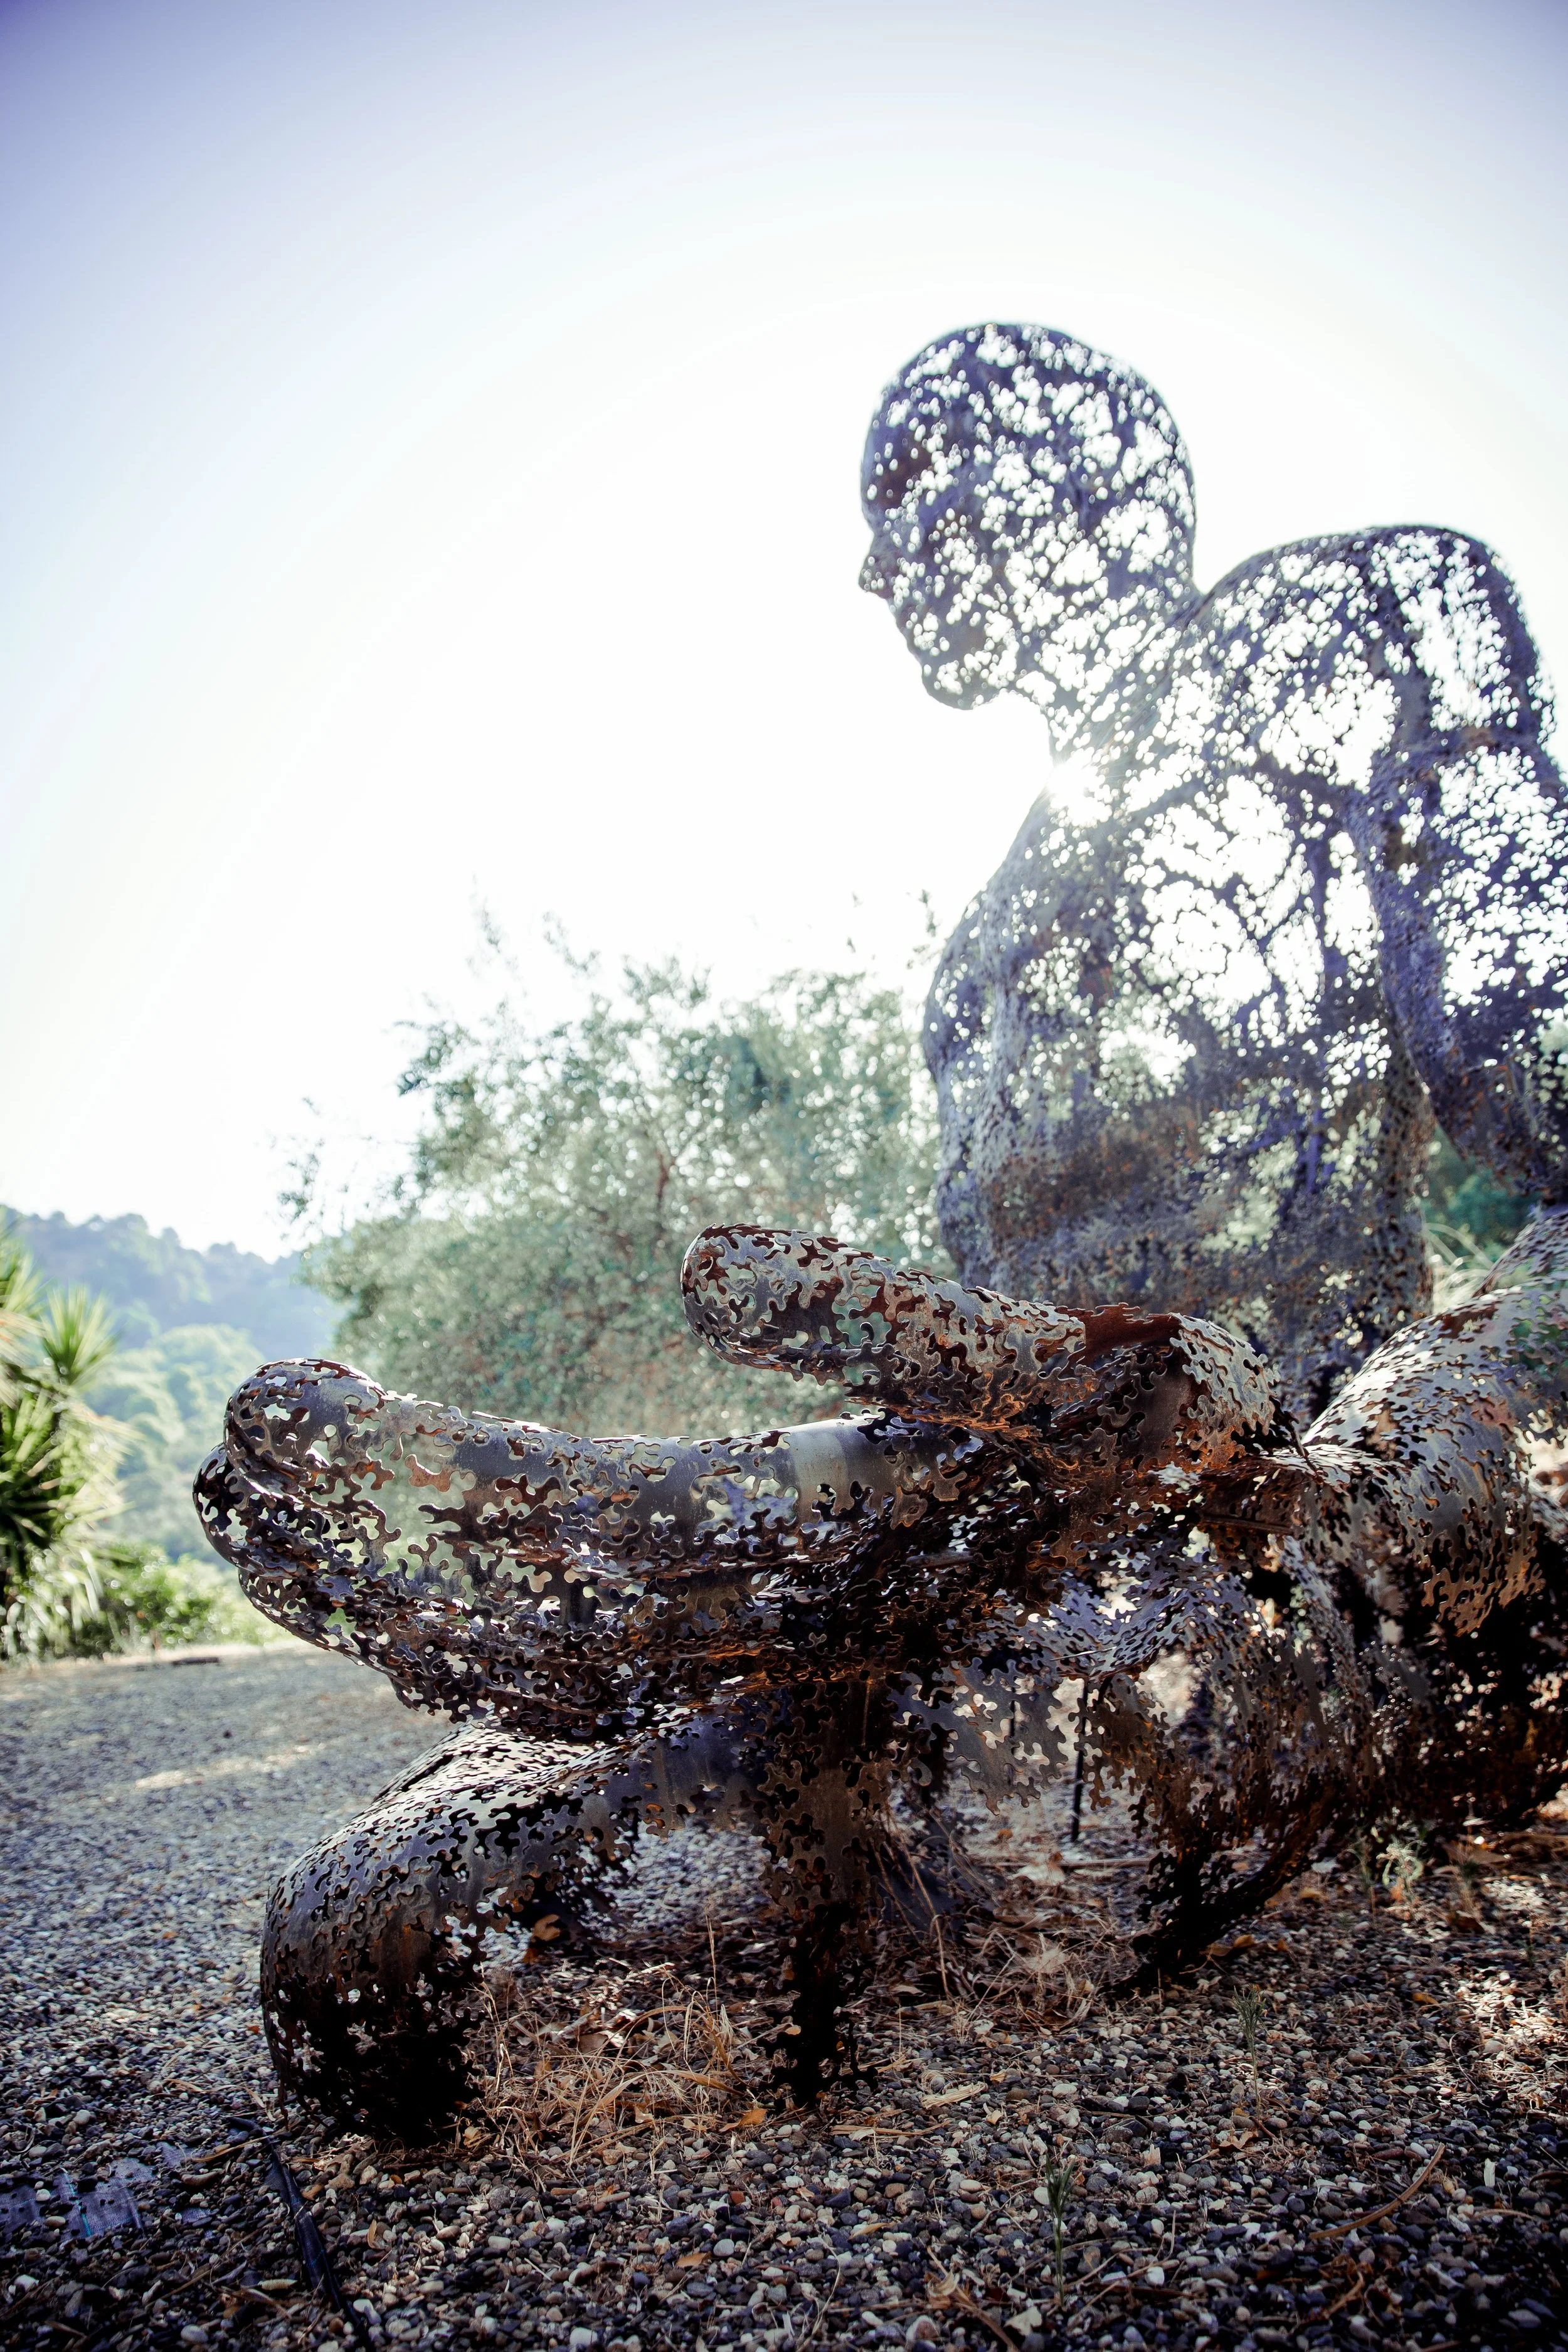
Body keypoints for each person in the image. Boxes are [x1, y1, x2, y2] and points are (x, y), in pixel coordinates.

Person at [861, 323, 1568, 1416]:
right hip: (1085, 1546)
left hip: (1323, 1480)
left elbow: (1540, 1076)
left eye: (902, 493)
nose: (877, 567)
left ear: (1059, 479)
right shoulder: (969, 970)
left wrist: (1449, 1417)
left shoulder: (1355, 627)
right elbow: (1030, 1357)